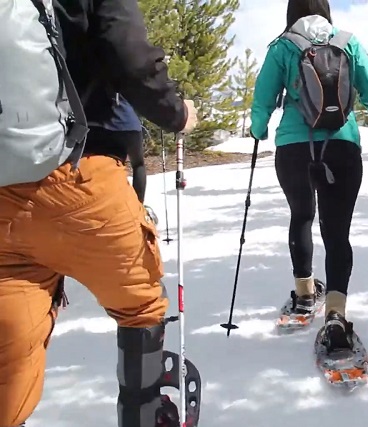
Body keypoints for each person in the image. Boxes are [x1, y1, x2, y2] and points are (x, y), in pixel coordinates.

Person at [0, 0, 198, 425]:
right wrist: (177, 113)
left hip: (2, 195)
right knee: (141, 303)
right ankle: (145, 414)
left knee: (9, 348)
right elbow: (129, 54)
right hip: (79, 176)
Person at [250, 0, 368, 351]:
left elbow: (263, 98)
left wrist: (259, 128)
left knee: (301, 216)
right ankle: (337, 317)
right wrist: (363, 102)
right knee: (337, 231)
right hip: (342, 145)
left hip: (294, 147)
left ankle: (305, 295)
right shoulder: (347, 42)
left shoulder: (283, 46)